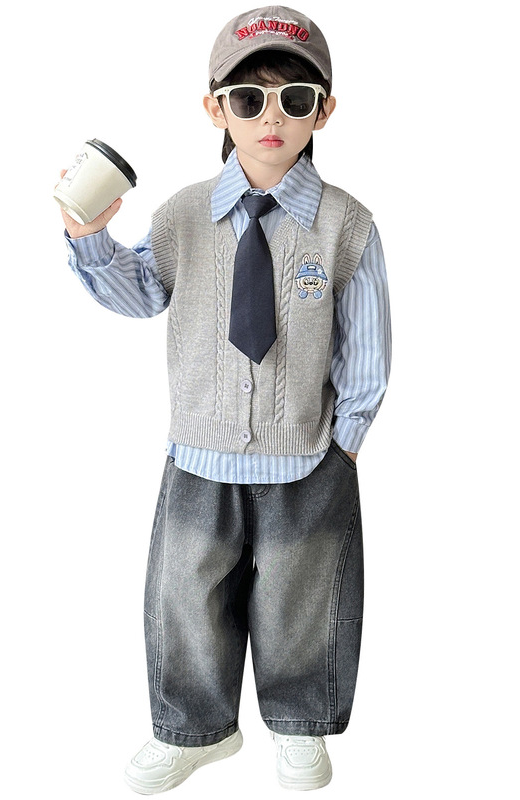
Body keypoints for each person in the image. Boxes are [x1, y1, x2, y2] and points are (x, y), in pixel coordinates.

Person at [60, 6, 391, 793]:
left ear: (324, 112)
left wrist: (345, 441)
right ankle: (193, 727)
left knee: (304, 595)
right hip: (197, 455)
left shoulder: (346, 225)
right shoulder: (183, 215)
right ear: (215, 109)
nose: (271, 119)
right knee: (185, 595)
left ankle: (300, 723)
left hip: (308, 455)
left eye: (295, 100)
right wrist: (89, 237)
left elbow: (368, 341)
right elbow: (142, 293)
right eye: (249, 99)